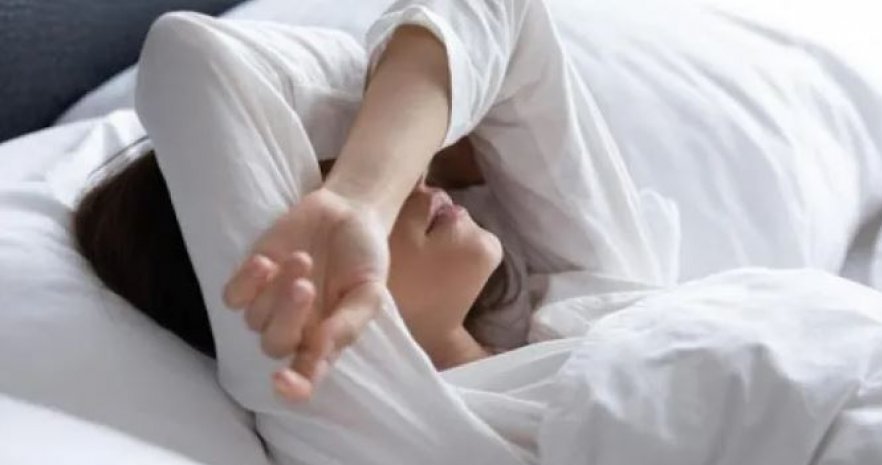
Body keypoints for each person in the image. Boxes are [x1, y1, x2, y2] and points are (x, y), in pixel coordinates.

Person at [74, 0, 666, 403]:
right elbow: (194, 57)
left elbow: (498, 12)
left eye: (406, 172)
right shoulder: (383, 430)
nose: (417, 184)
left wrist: (361, 196)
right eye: (321, 189)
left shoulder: (585, 293)